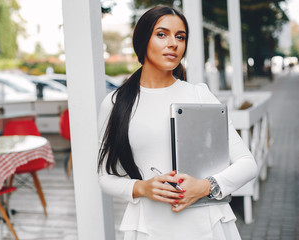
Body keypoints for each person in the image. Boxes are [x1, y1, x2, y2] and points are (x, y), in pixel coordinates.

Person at [97, 5, 257, 240]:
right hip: (149, 227)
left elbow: (247, 163)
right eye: (162, 34)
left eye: (180, 37)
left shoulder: (199, 95)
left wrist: (205, 186)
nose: (173, 43)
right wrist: (141, 188)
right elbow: (104, 177)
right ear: (143, 40)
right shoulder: (115, 103)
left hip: (207, 224)